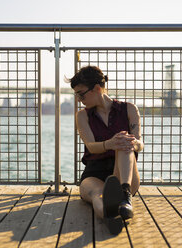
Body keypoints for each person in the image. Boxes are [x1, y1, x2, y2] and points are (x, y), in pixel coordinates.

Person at [67, 65, 144, 235]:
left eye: (81, 93)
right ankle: (111, 216)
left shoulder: (129, 109)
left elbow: (140, 144)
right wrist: (110, 143)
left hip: (125, 171)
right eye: (76, 95)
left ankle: (124, 195)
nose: (79, 99)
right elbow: (91, 146)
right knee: (97, 194)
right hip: (94, 172)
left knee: (124, 142)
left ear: (96, 88)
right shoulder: (82, 116)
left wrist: (132, 143)